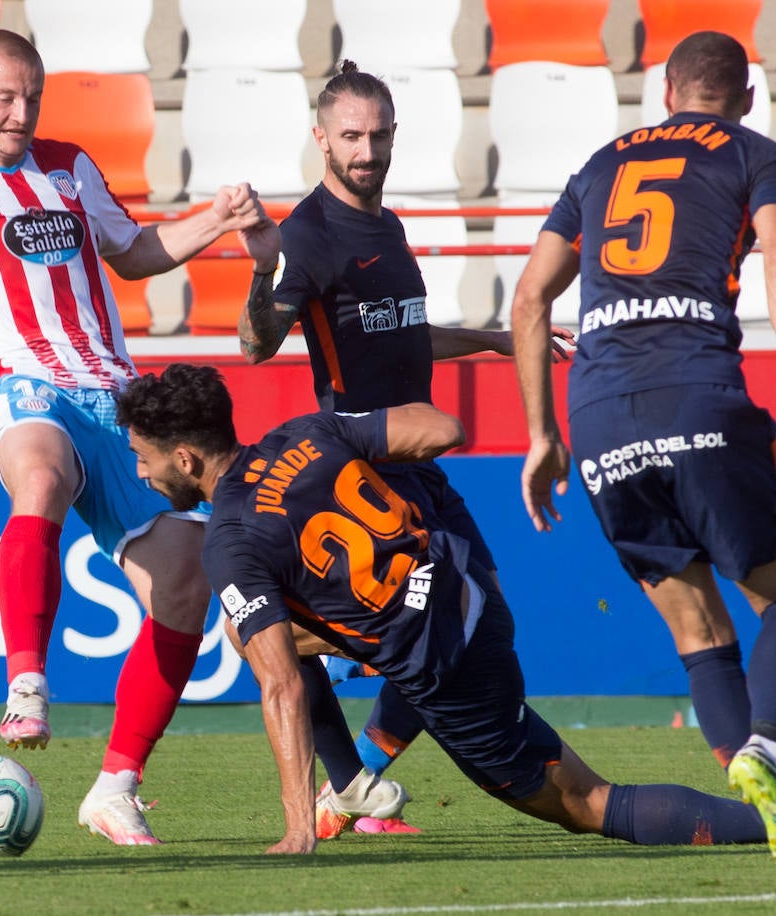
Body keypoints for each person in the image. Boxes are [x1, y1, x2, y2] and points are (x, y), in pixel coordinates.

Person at [115, 364, 776, 886]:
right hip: (468, 593)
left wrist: (299, 824)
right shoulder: (308, 432)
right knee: (270, 630)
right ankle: (356, 775)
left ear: (185, 458)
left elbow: (280, 689)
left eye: (145, 461)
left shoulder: (228, 540)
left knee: (586, 804)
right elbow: (443, 429)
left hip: (447, 667)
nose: (143, 477)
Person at [0, 29, 275, 847]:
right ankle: (26, 680)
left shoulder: (69, 167)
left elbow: (133, 255)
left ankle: (114, 787)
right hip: (18, 388)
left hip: (112, 396)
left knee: (184, 582)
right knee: (40, 477)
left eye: (31, 96)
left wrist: (215, 218)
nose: (20, 112)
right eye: (3, 96)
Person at [509, 31, 776, 888]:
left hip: (595, 418)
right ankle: (766, 755)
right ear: (744, 97)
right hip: (696, 392)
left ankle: (773, 820)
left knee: (698, 632)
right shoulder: (755, 154)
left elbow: (528, 298)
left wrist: (541, 434)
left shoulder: (599, 164)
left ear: (666, 91)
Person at [237, 60, 575, 837]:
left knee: (471, 621)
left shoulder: (385, 227)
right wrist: (263, 273)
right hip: (365, 475)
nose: (366, 151)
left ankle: (350, 781)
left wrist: (494, 340)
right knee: (437, 633)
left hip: (417, 470)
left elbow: (401, 334)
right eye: (350, 137)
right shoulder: (311, 235)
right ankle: (347, 774)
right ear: (320, 139)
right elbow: (257, 345)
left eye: (378, 136)